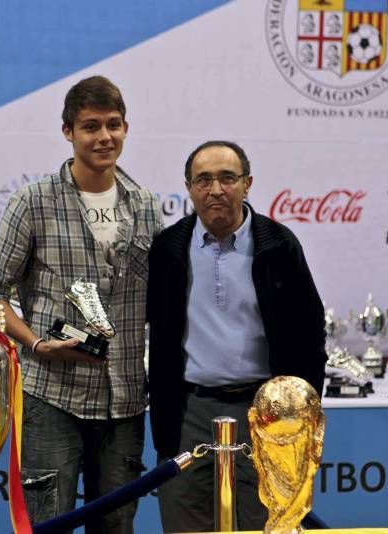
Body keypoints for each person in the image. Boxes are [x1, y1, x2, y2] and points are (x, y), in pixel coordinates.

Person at [0, 75, 163, 532]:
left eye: (113, 125)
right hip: (50, 396)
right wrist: (37, 344)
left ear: (126, 128)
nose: (104, 137)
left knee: (117, 526)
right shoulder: (33, 202)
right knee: (48, 525)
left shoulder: (146, 206)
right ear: (68, 132)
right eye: (90, 126)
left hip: (125, 399)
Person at [147, 140, 326, 532]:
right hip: (188, 414)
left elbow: (311, 334)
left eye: (228, 178)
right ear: (189, 187)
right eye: (203, 179)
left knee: (266, 525)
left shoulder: (279, 246)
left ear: (247, 184)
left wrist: (296, 418)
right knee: (185, 524)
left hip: (264, 415)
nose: (215, 189)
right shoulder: (167, 249)